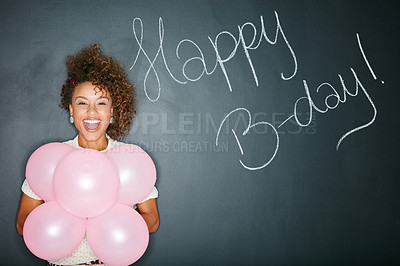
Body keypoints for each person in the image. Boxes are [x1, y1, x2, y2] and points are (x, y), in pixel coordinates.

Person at [16, 45, 159, 266]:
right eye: (82, 103)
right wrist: (72, 221)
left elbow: (152, 219)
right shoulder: (51, 159)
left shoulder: (130, 160)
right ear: (71, 111)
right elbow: (22, 221)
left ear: (112, 111)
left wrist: (107, 225)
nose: (91, 112)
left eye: (101, 103)